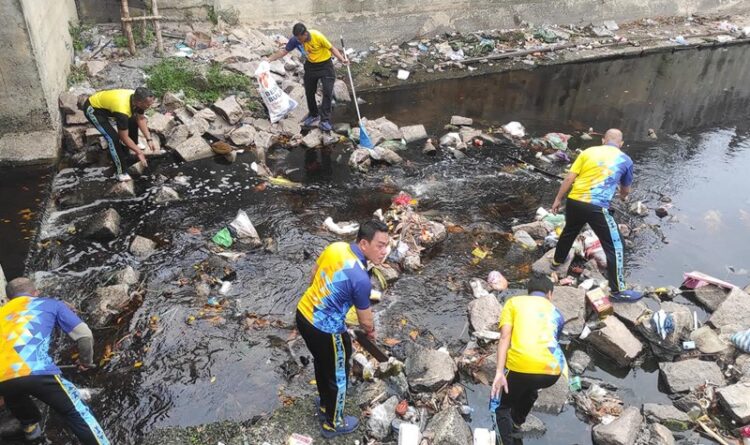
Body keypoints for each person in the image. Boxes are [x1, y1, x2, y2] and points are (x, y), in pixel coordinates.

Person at [295, 220, 389, 438]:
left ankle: (325, 403)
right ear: (364, 243)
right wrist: (371, 332)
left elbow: (314, 275)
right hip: (326, 329)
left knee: (322, 360)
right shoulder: (361, 278)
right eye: (380, 245)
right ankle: (333, 423)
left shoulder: (335, 248)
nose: (384, 251)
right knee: (339, 374)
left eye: (386, 246)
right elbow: (365, 322)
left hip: (303, 314)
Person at [0, 278, 109, 444]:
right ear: (36, 293)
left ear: (8, 300)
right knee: (76, 412)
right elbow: (84, 335)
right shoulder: (51, 304)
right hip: (36, 370)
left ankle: (31, 430)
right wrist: (85, 361)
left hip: (2, 377)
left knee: (13, 391)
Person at [550, 128, 642, 301]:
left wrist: (557, 199)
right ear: (621, 144)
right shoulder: (625, 160)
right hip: (597, 207)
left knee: (570, 230)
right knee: (616, 246)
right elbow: (625, 190)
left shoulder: (588, 152)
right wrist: (623, 196)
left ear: (603, 141)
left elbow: (569, 178)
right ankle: (618, 291)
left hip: (574, 201)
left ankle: (557, 261)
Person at [490, 275, 567, 445]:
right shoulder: (557, 313)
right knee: (530, 388)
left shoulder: (514, 302)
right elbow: (553, 342)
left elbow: (504, 337)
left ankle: (507, 441)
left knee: (502, 407)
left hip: (521, 367)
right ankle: (517, 422)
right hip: (551, 373)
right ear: (550, 294)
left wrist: (499, 373)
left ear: (529, 292)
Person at [268, 23, 349, 132]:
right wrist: (269, 59)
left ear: (305, 34)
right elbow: (284, 51)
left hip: (325, 66)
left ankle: (325, 120)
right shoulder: (295, 40)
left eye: (301, 39)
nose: (300, 42)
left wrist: (342, 59)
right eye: (297, 39)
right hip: (311, 66)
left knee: (327, 92)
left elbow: (332, 48)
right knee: (309, 92)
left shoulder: (317, 36)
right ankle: (314, 114)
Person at [82, 87, 157, 182]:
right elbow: (123, 136)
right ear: (139, 102)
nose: (149, 106)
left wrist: (149, 139)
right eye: (147, 105)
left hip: (110, 105)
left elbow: (141, 119)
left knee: (133, 119)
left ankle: (132, 144)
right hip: (93, 109)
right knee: (113, 138)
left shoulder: (137, 99)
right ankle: (120, 172)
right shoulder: (122, 110)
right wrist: (139, 152)